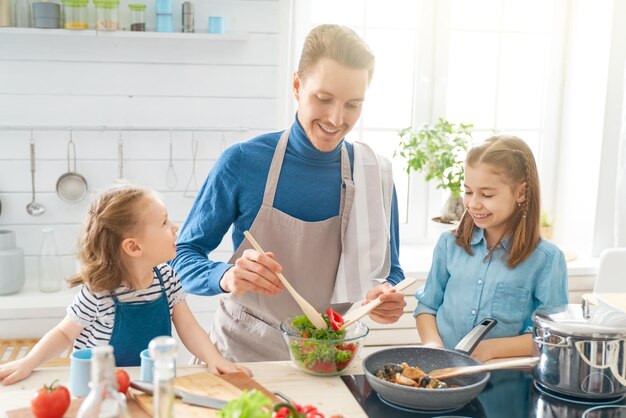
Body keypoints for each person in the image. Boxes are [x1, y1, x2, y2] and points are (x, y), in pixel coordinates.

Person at [171, 24, 406, 361]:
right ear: (297, 85)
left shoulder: (373, 172)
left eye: (353, 105)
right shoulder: (242, 162)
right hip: (240, 356)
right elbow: (182, 257)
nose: (336, 119)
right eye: (323, 99)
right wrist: (225, 275)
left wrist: (383, 296)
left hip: (328, 357)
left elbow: (390, 269)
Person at [0, 186, 248, 386]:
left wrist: (214, 359)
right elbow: (65, 334)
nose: (175, 228)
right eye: (163, 223)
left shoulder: (167, 278)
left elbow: (188, 326)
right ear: (133, 247)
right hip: (100, 386)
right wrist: (29, 362)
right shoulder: (99, 292)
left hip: (148, 383)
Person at [414, 135, 568, 362]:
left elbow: (552, 334)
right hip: (445, 378)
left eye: (487, 194)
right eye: (468, 191)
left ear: (521, 193)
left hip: (506, 386)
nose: (474, 203)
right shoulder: (449, 245)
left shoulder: (547, 260)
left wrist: (491, 349)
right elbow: (427, 306)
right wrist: (432, 344)